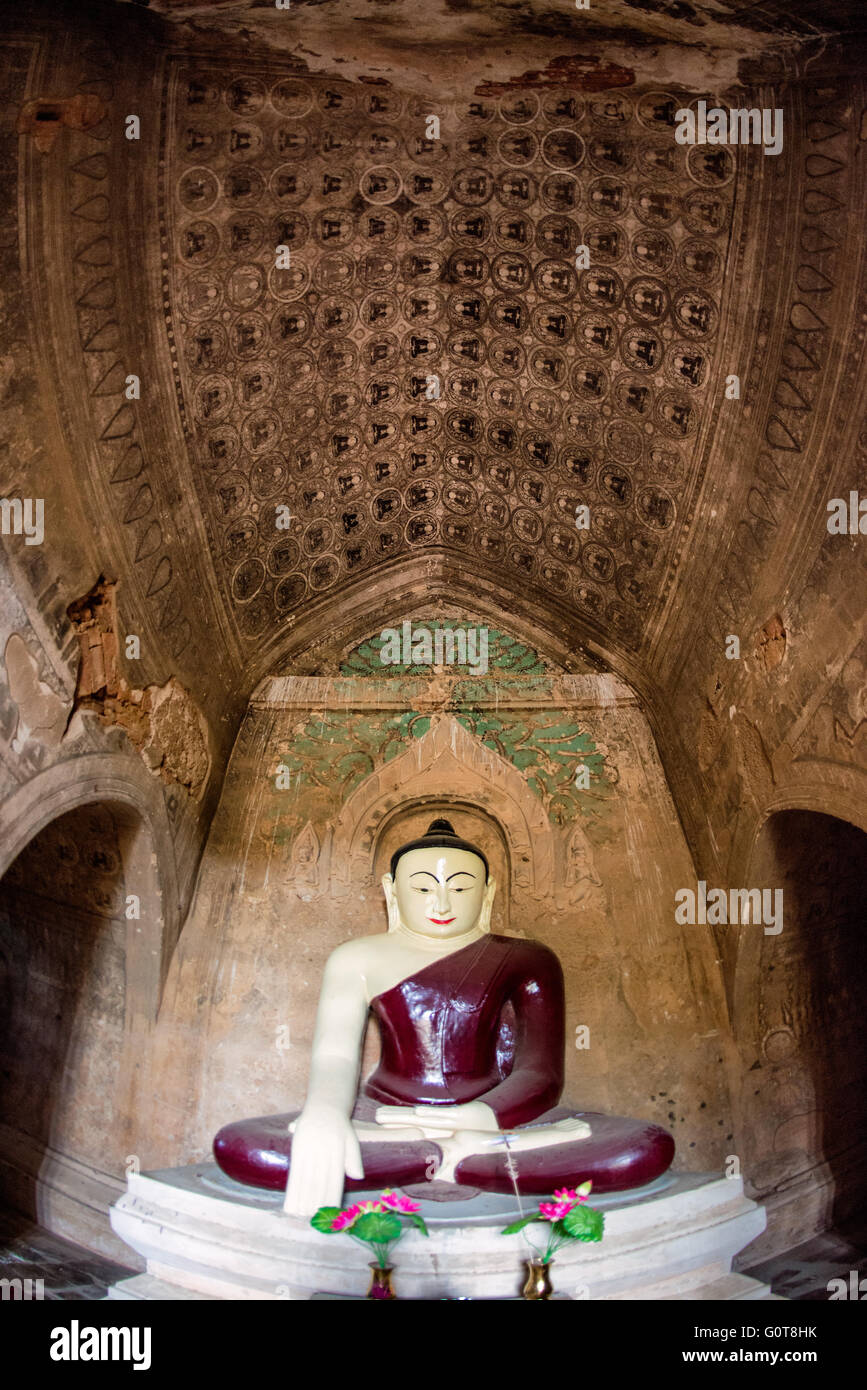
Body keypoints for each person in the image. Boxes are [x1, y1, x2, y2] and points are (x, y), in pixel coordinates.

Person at [213, 819, 675, 1215]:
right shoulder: (356, 957)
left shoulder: (527, 959)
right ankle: (461, 1160)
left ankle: (436, 1156)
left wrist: (478, 1117)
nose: (442, 904)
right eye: (422, 888)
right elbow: (335, 1054)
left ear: (488, 892)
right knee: (246, 1145)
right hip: (386, 1116)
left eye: (459, 887)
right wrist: (326, 1115)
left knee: (641, 1146)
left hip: (495, 1118)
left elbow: (541, 1072)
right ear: (392, 892)